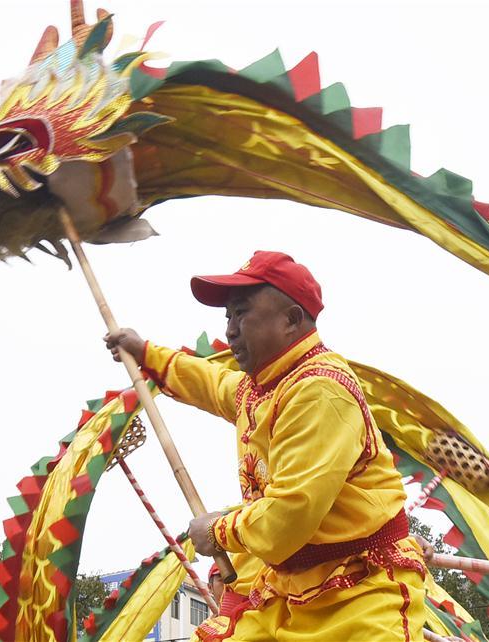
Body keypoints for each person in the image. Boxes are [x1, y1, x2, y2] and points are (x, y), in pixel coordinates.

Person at [105, 251, 428, 641]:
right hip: (288, 587)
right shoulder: (263, 387)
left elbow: (289, 515)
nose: (230, 330)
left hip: (358, 591)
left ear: (291, 319)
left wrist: (217, 531)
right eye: (227, 317)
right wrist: (145, 353)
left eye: (241, 313)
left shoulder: (319, 392)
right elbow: (212, 384)